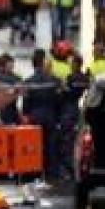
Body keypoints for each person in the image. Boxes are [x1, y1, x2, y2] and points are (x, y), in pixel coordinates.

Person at [21, 49, 62, 181]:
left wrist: (26, 114)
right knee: (51, 145)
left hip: (34, 118)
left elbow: (26, 103)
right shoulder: (54, 81)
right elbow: (59, 100)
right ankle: (51, 173)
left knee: (34, 146)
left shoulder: (28, 82)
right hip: (51, 117)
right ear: (43, 63)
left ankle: (34, 172)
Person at [0, 53, 23, 125]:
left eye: (12, 64)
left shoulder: (16, 78)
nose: (12, 66)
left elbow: (20, 91)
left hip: (10, 109)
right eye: (10, 65)